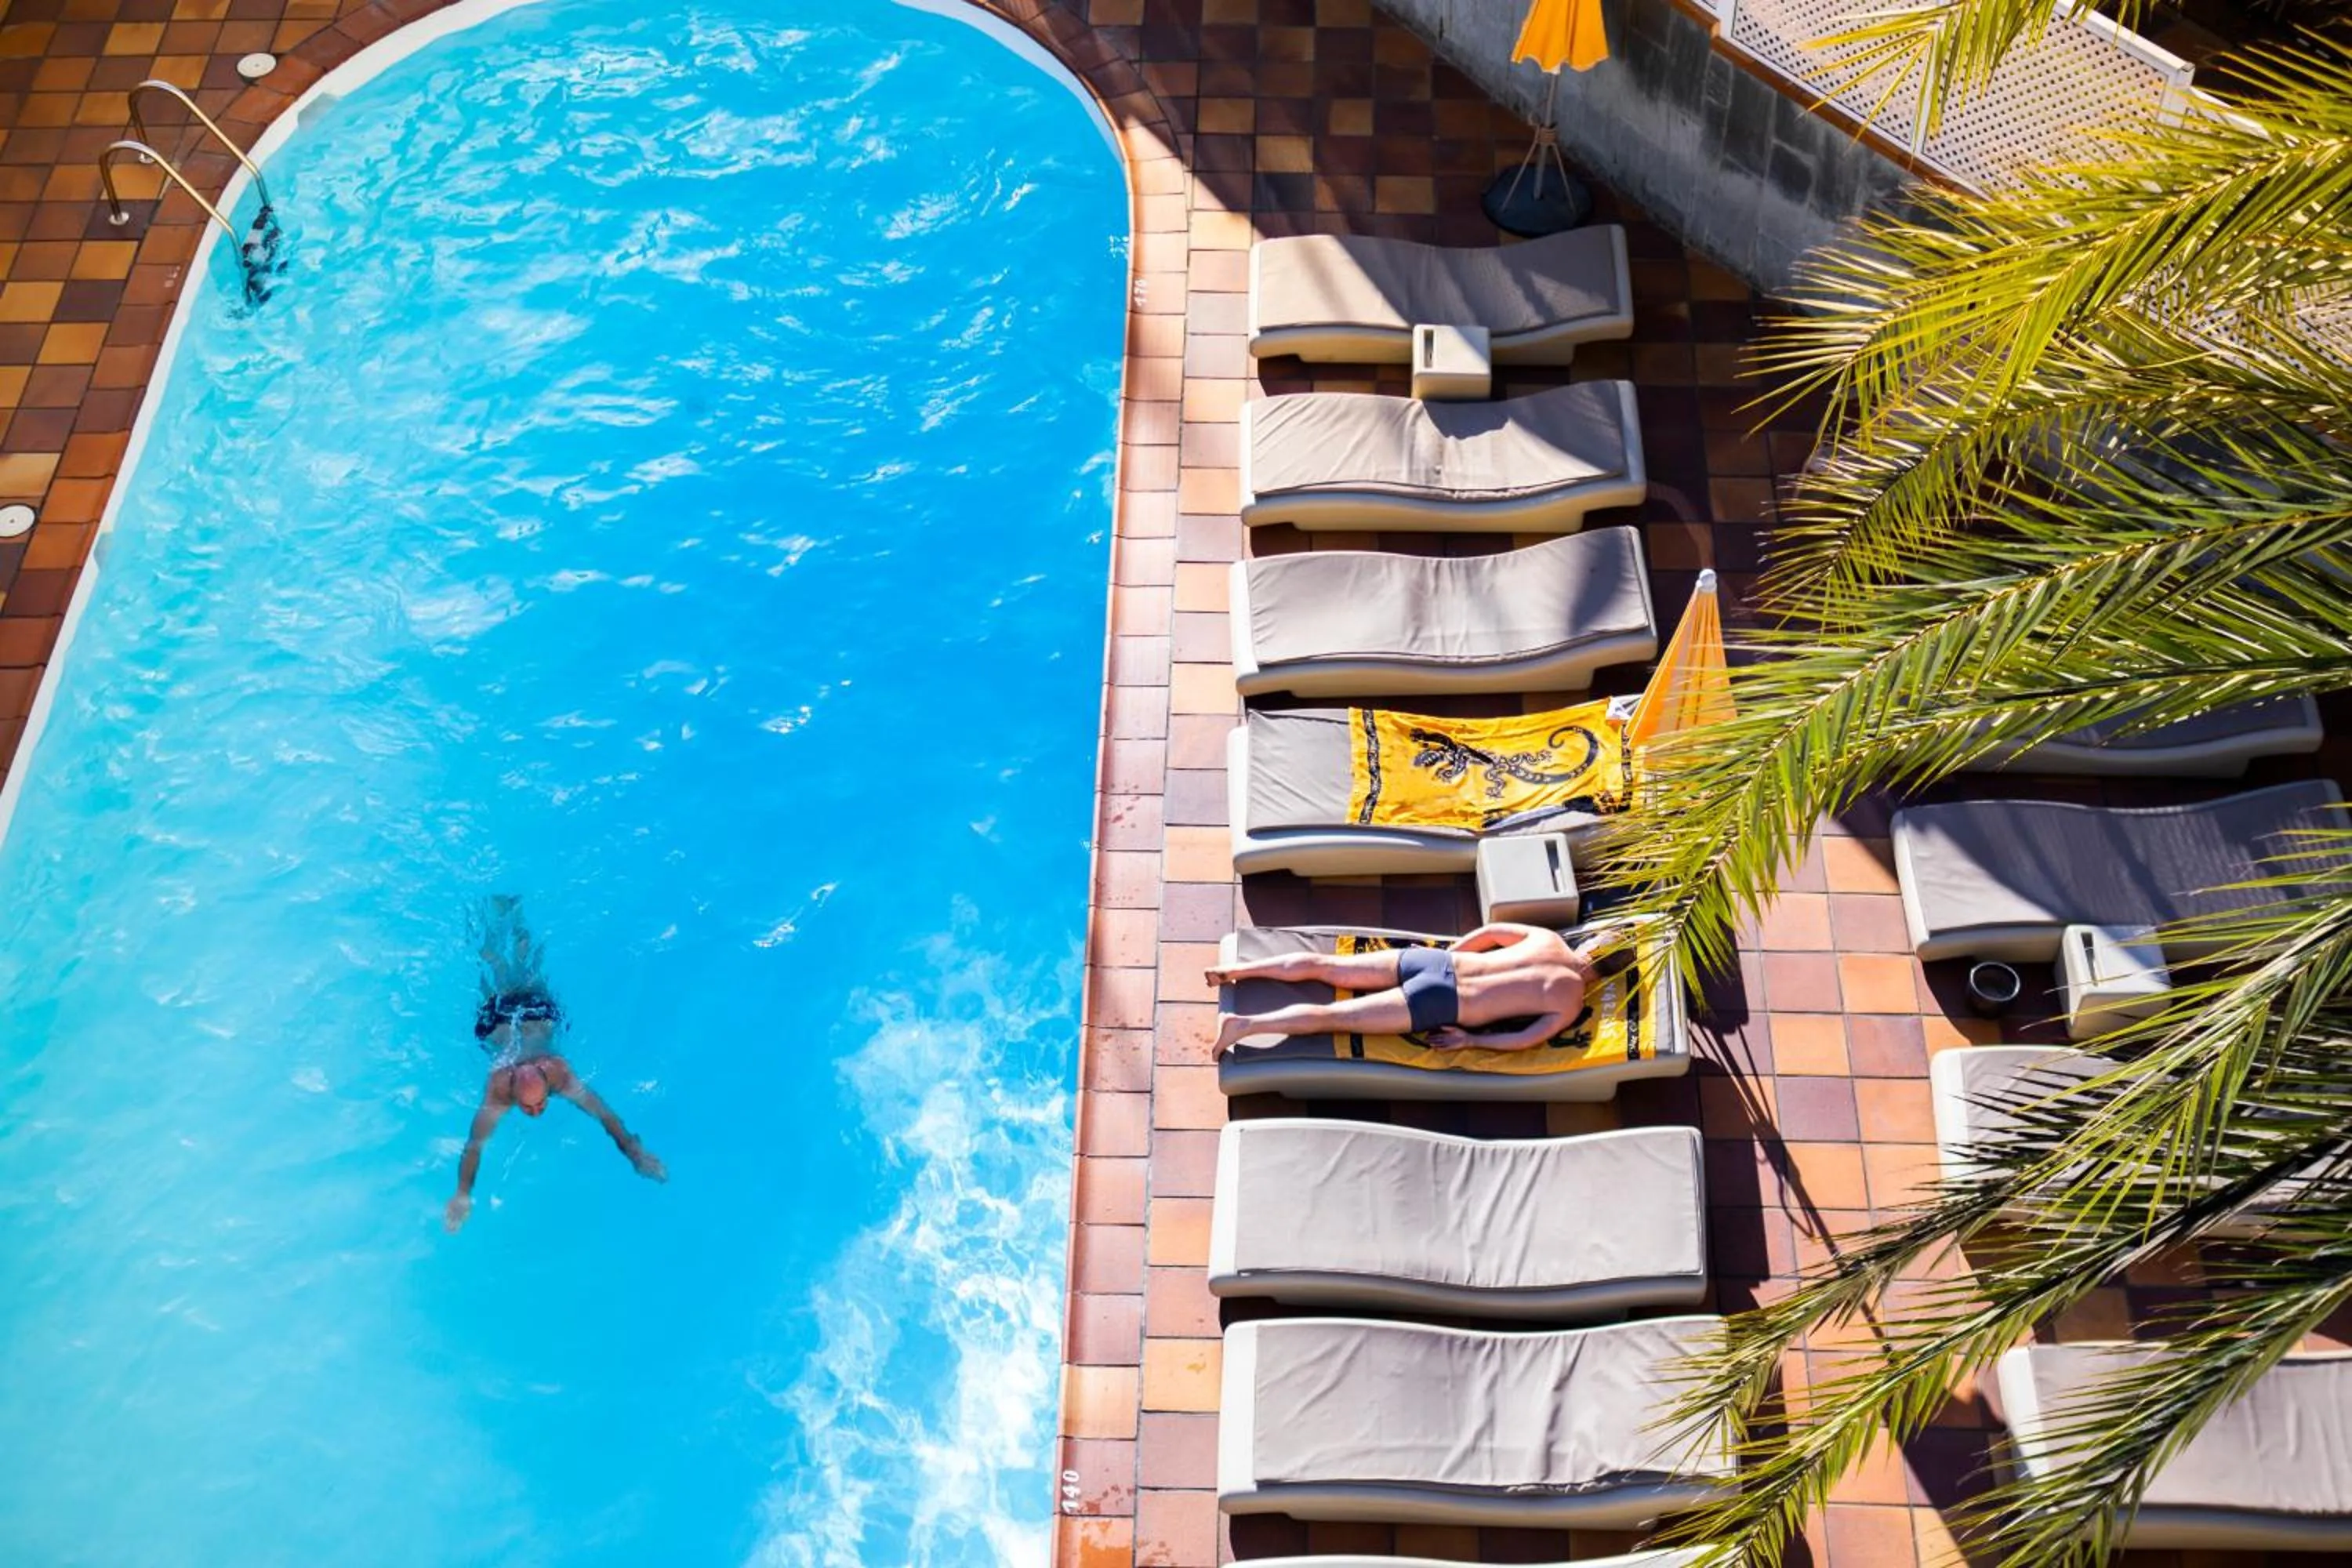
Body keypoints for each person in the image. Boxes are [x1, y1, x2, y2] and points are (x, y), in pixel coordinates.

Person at [445, 897, 665, 1232]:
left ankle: (498, 916)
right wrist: (461, 1194)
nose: (536, 1111)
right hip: (525, 1015)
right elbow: (602, 1114)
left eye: (535, 1105)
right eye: (534, 1106)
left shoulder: (522, 1082)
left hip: (513, 1018)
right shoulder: (540, 1077)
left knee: (501, 967)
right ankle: (509, 914)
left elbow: (476, 1144)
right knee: (514, 966)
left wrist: (634, 1152)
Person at [1208, 920, 1597, 1053]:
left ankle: (1236, 970)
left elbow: (1492, 932)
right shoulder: (1570, 1000)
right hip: (1445, 1003)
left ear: (1592, 947)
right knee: (1334, 1017)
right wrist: (1470, 1041)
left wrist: (1450, 951)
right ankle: (1244, 1026)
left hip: (1437, 962)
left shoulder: (1550, 939)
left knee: (1327, 966)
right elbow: (1527, 1039)